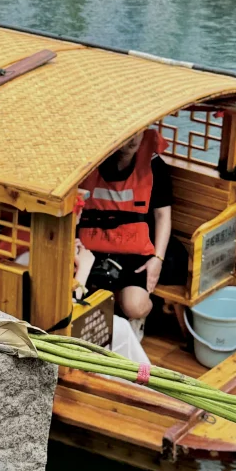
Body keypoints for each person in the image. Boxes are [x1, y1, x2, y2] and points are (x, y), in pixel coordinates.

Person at [76, 129, 173, 330]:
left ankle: (136, 320)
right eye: (125, 135)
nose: (132, 141)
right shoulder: (85, 165)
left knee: (134, 306)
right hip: (90, 246)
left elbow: (163, 215)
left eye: (137, 133)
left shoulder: (155, 166)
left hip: (134, 249)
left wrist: (158, 259)